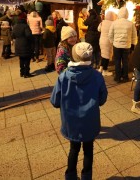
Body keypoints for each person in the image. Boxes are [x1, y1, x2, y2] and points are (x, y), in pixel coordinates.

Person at [50, 42, 108, 180]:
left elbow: (54, 101)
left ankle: (70, 176)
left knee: (73, 149)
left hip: (71, 121)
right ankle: (86, 177)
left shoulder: (63, 76)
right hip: (90, 120)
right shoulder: (97, 76)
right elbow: (102, 98)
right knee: (88, 150)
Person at [108, 7, 137, 83]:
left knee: (117, 61)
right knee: (125, 61)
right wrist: (133, 44)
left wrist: (112, 42)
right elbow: (134, 35)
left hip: (116, 45)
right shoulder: (130, 24)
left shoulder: (114, 23)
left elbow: (110, 35)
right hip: (127, 46)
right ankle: (125, 77)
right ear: (127, 14)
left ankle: (117, 77)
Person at [12, 13, 34, 78]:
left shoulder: (15, 26)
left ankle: (21, 72)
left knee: (21, 59)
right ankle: (26, 73)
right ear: (25, 19)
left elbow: (13, 35)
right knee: (27, 59)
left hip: (18, 44)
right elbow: (28, 35)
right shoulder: (25, 26)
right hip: (25, 44)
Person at [98, 11, 117, 76]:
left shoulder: (102, 22)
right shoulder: (113, 23)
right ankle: (105, 70)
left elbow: (98, 29)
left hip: (101, 40)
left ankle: (101, 68)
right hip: (108, 41)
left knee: (103, 55)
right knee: (106, 56)